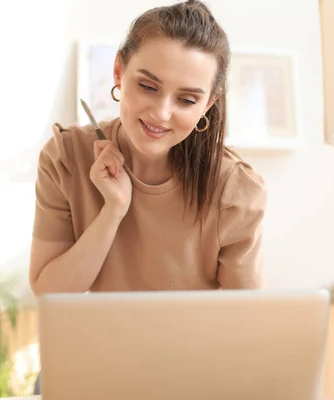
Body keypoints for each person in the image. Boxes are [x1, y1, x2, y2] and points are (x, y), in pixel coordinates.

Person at [28, 0, 266, 297]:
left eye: (187, 100)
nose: (161, 113)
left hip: (192, 345)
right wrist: (112, 211)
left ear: (208, 104)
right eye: (148, 87)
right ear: (118, 72)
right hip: (94, 343)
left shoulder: (236, 189)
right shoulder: (66, 156)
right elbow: (49, 293)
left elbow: (246, 322)